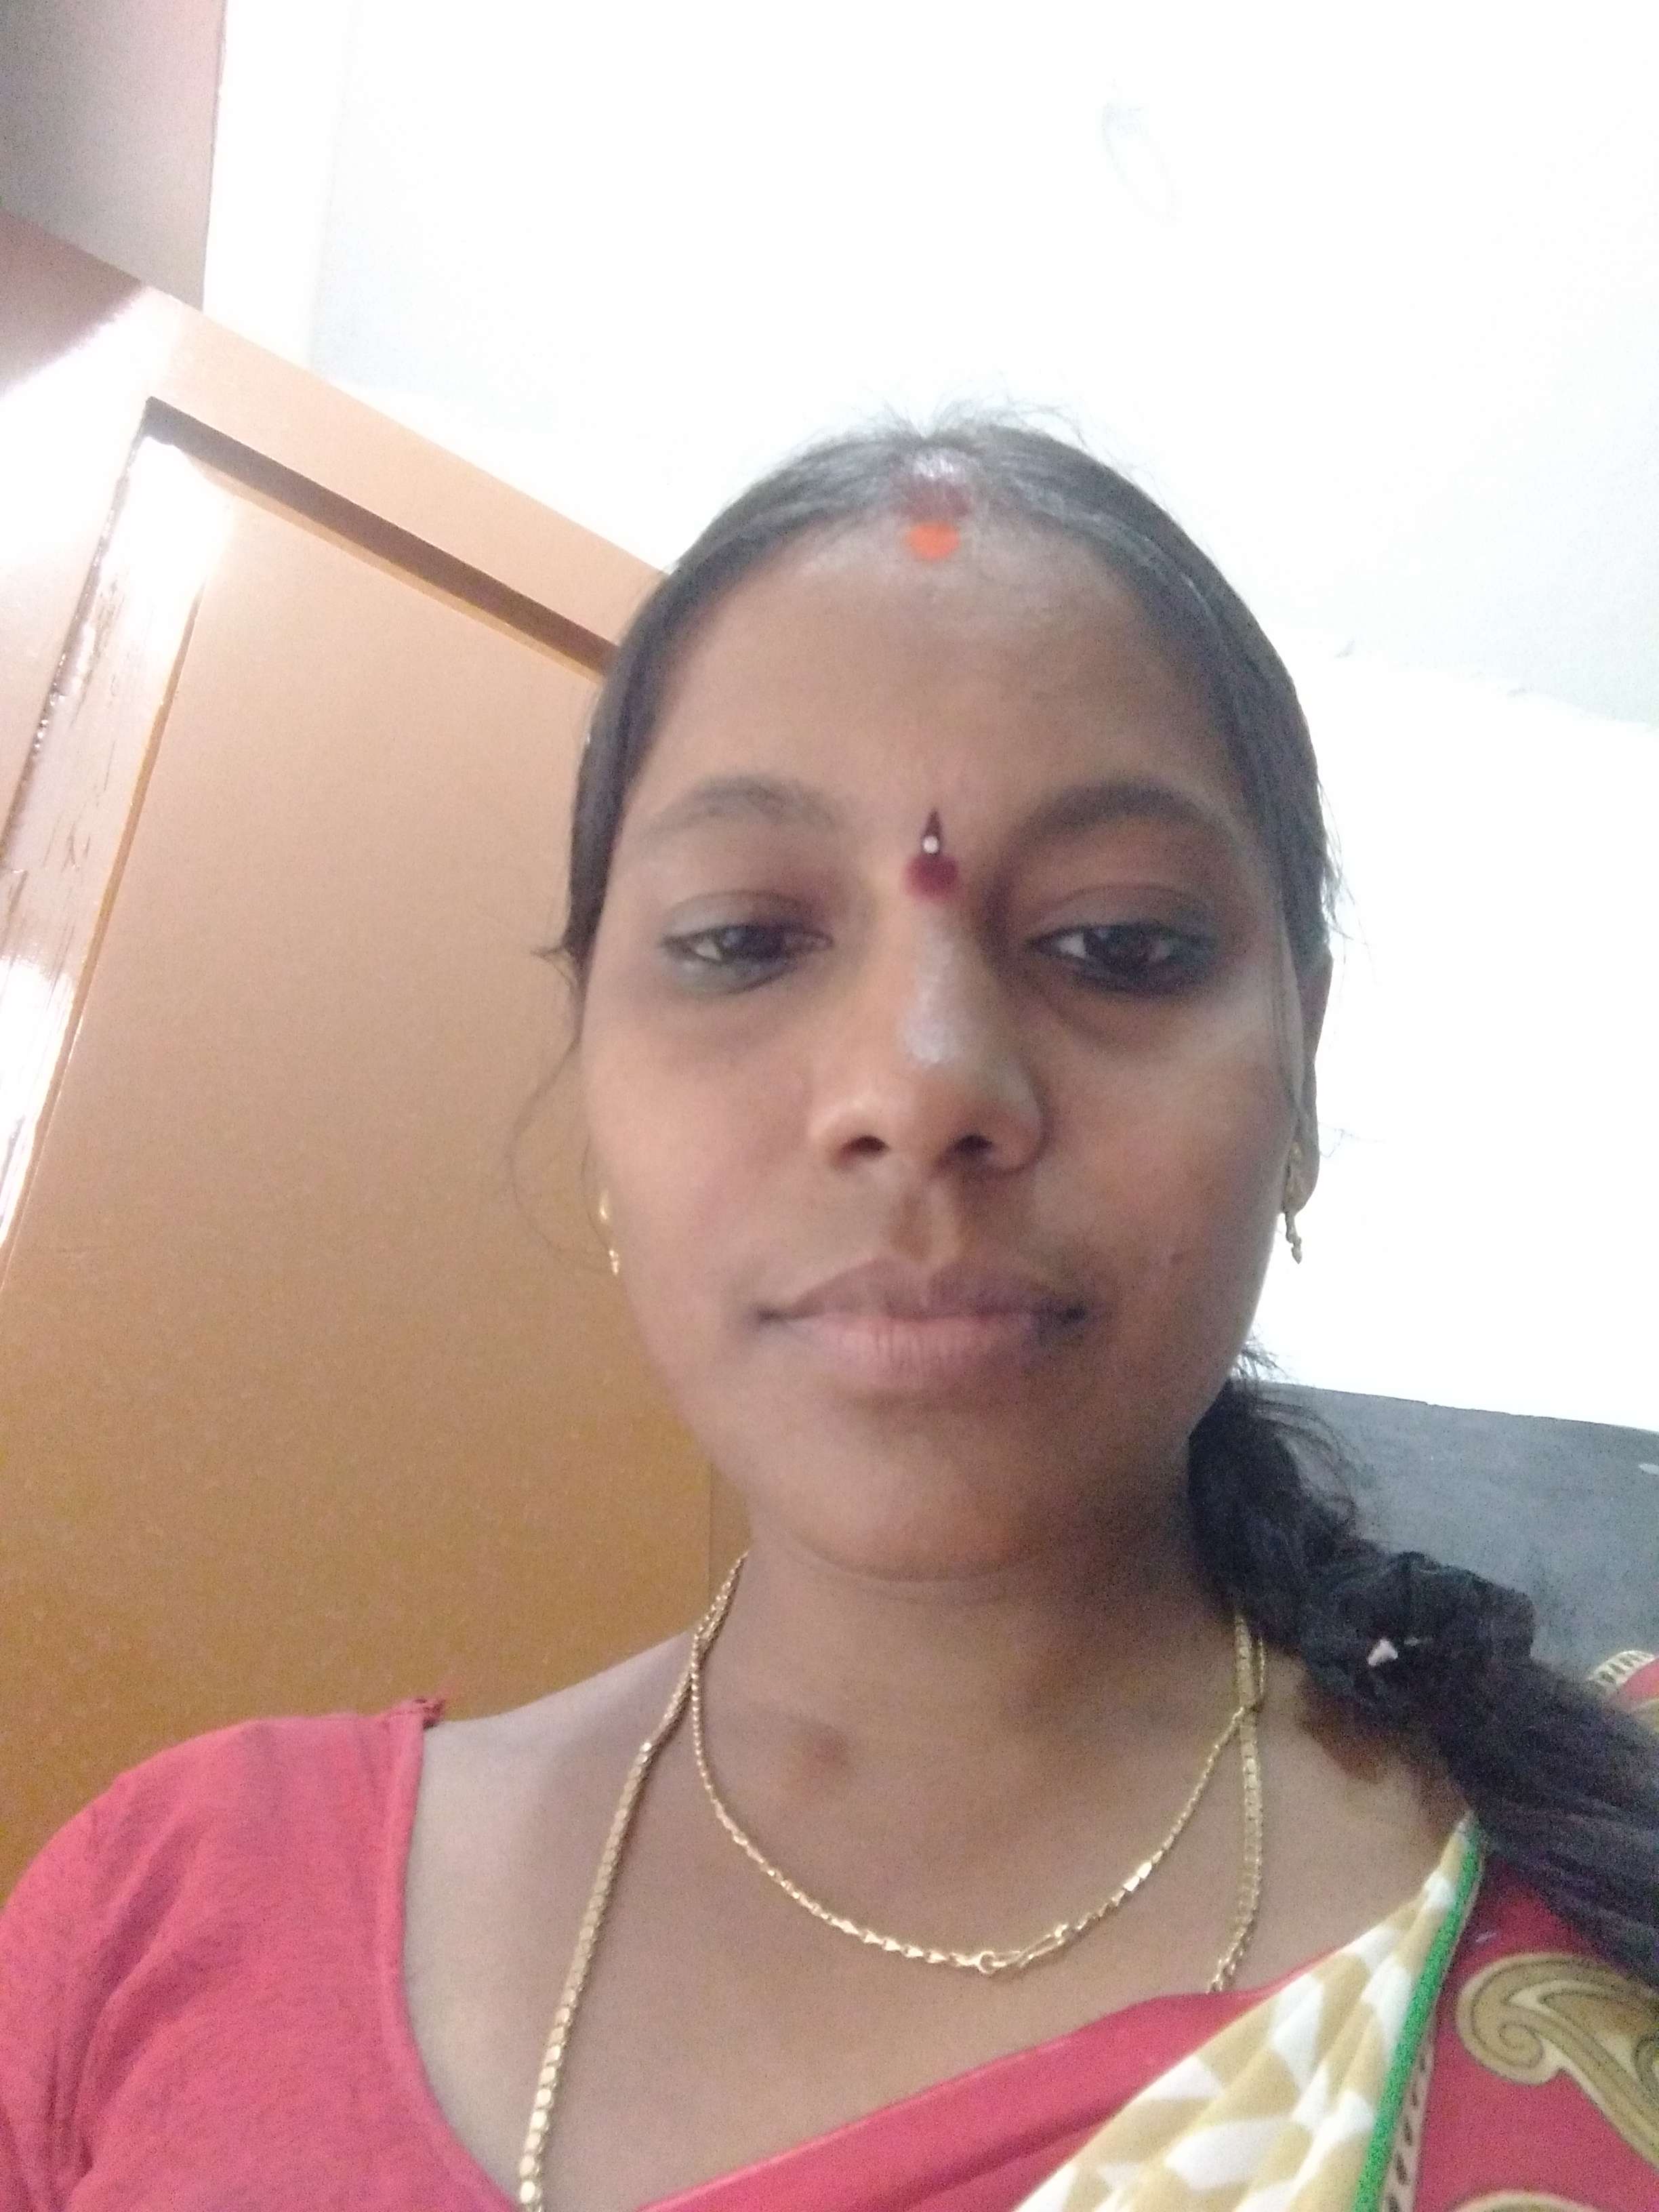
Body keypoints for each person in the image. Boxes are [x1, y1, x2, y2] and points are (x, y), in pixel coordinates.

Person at [2, 421, 1656, 2212]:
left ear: (1301, 1078)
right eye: (747, 939)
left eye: (1116, 941)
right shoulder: (172, 1913)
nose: (922, 1083)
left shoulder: (1603, 1882)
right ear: (591, 1069)